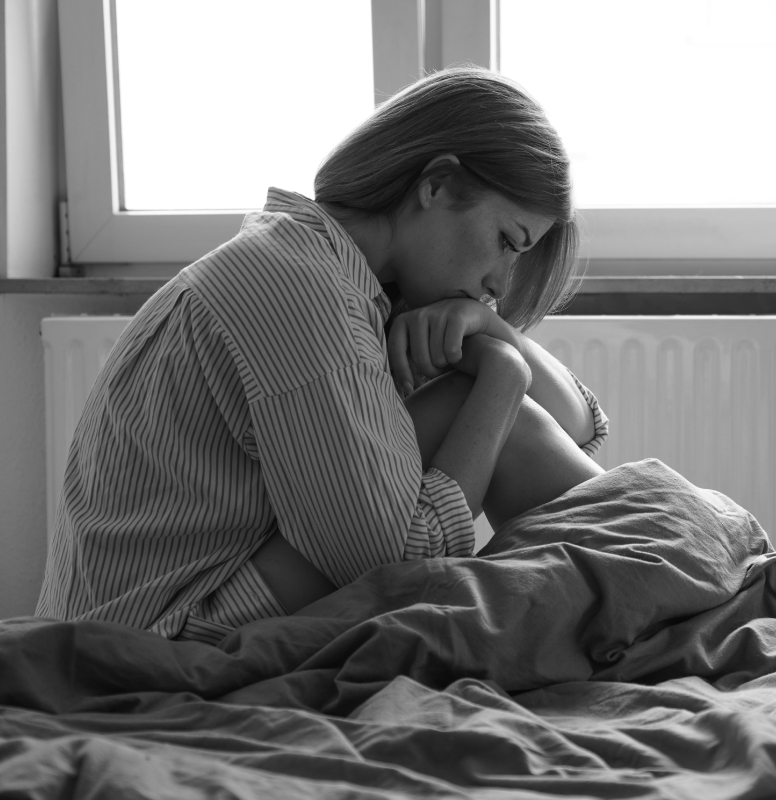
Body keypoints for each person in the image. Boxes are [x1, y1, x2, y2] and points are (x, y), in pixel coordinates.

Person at [36, 67, 608, 644]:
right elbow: (399, 564)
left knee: (494, 413)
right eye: (506, 243)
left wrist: (492, 331)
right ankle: (656, 592)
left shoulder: (344, 284)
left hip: (180, 611)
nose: (500, 284)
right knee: (480, 404)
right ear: (436, 185)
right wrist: (503, 375)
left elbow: (576, 424)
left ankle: (653, 588)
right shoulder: (296, 287)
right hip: (160, 638)